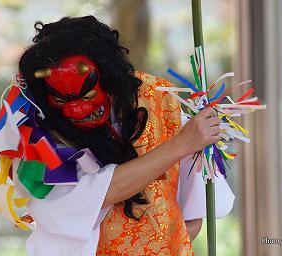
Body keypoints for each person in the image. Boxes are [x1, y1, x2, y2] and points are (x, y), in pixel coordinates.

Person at [15, 16, 221, 255]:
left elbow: (193, 206)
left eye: (89, 95)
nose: (76, 110)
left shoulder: (158, 95)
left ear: (110, 78)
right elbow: (100, 192)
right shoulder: (38, 129)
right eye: (61, 100)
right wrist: (181, 144)